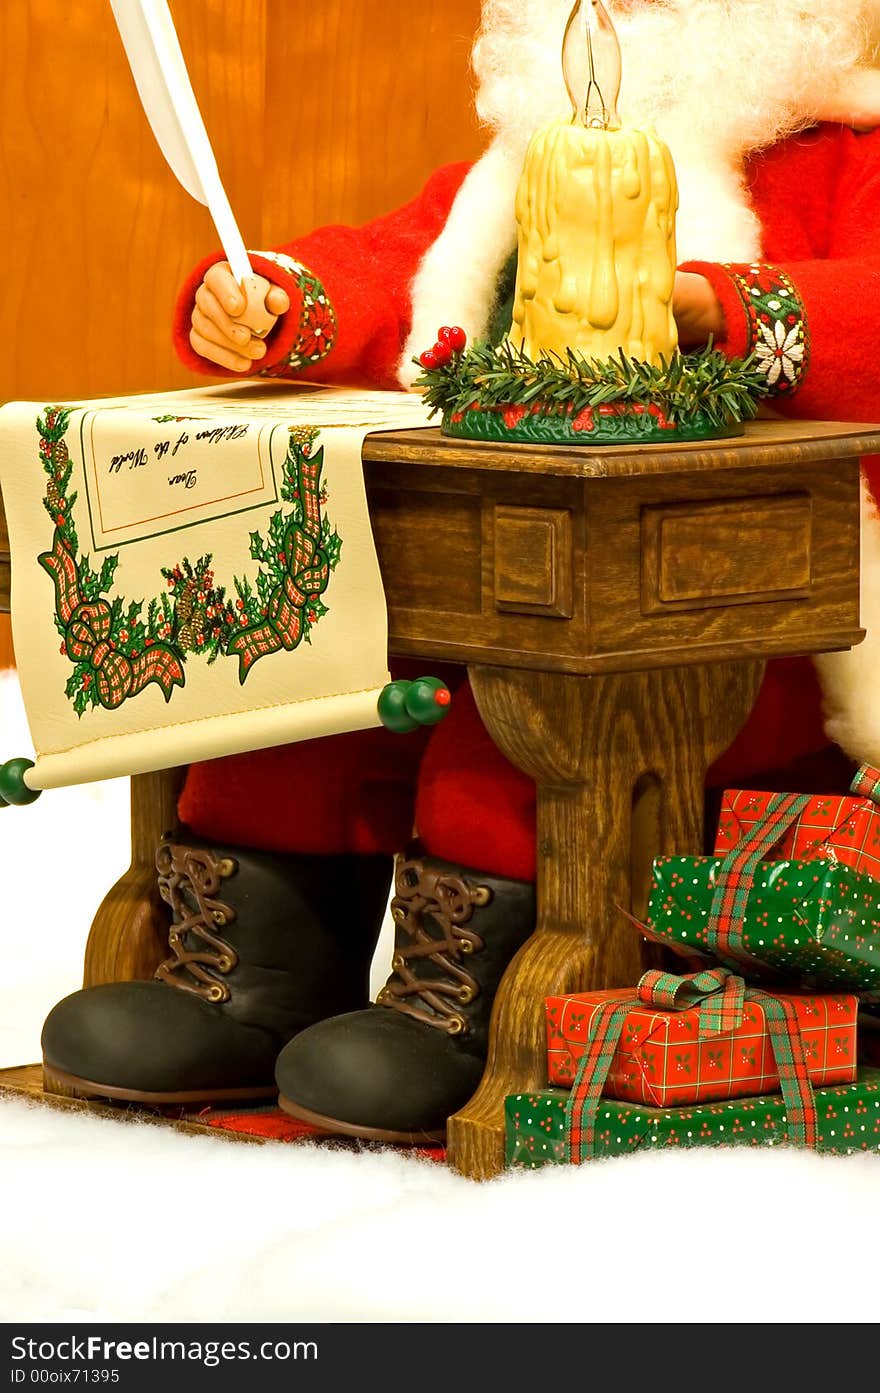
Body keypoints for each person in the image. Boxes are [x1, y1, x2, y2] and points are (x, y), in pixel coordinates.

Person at [42, 0, 880, 1141]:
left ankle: (464, 1005)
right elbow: (389, 270)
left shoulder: (838, 164)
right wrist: (279, 300)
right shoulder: (505, 176)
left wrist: (710, 306)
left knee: (511, 725)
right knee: (295, 685)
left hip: (724, 607)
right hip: (473, 552)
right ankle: (247, 982)